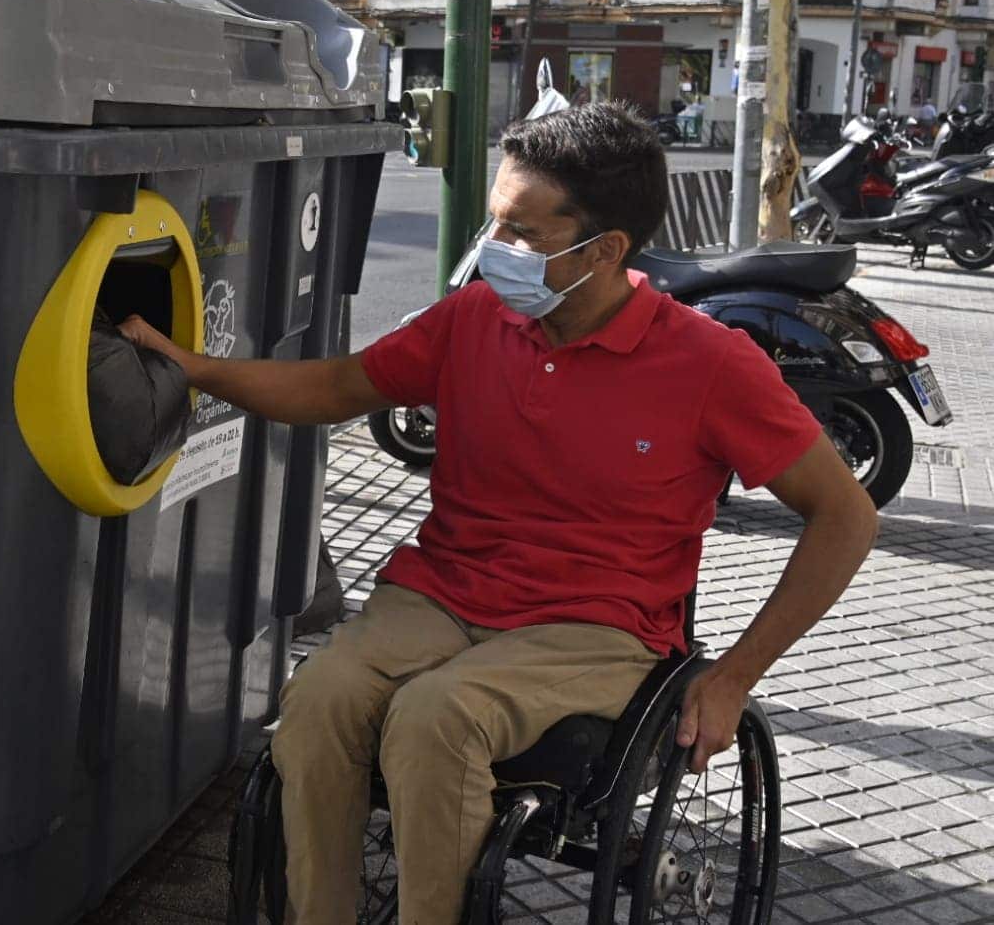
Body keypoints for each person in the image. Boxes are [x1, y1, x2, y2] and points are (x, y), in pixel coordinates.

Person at [119, 102, 877, 925]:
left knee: (435, 718)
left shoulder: (709, 363)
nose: (493, 251)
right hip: (441, 593)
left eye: (522, 235)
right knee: (318, 702)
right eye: (494, 223)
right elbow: (336, 387)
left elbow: (844, 516)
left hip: (596, 624)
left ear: (606, 249)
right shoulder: (474, 319)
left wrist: (734, 674)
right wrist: (194, 369)